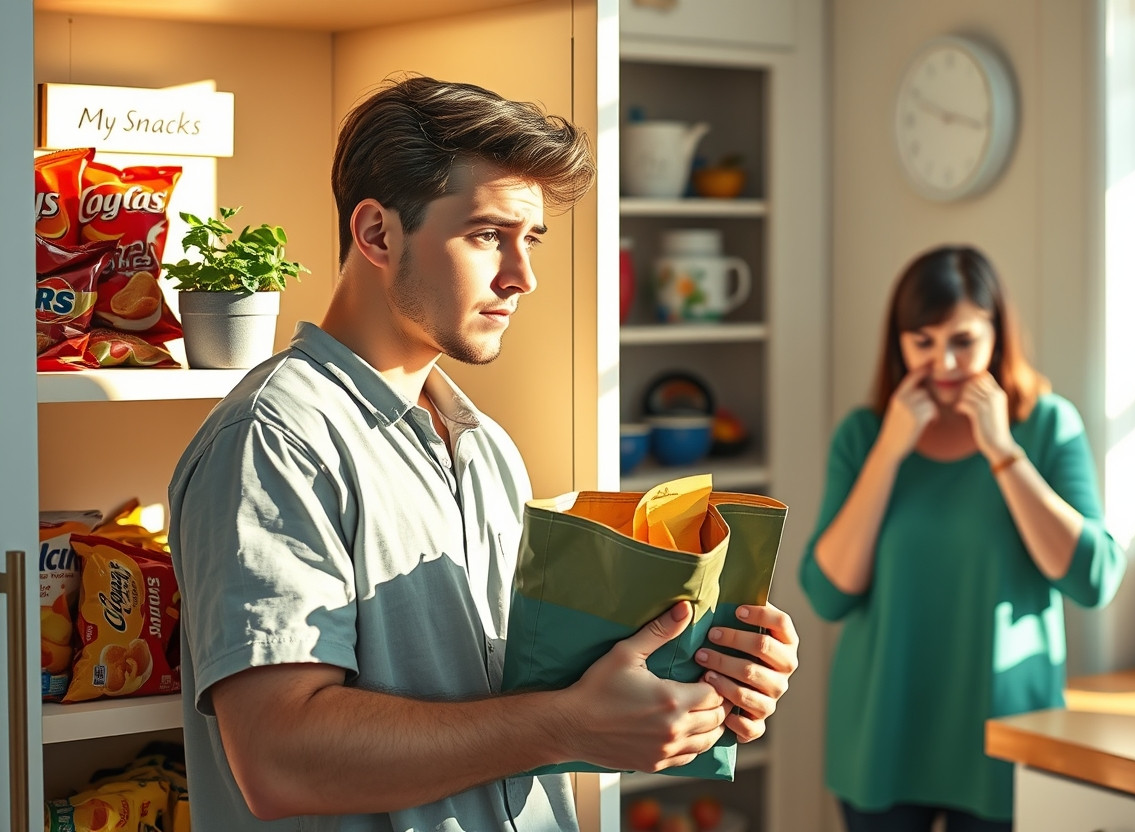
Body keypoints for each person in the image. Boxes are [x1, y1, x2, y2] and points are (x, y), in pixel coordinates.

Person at [167, 76, 799, 831]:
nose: (522, 276)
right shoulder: (272, 439)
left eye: (530, 239)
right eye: (487, 235)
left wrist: (699, 685)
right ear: (377, 234)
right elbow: (280, 760)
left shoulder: (487, 448)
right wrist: (566, 725)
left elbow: (524, 711)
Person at [800, 245, 1125, 832]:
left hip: (1006, 732)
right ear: (898, 342)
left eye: (963, 341)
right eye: (922, 342)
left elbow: (1093, 579)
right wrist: (889, 452)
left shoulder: (1049, 426)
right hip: (882, 733)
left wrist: (1002, 451)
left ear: (997, 335)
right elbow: (828, 594)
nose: (943, 363)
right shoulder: (864, 434)